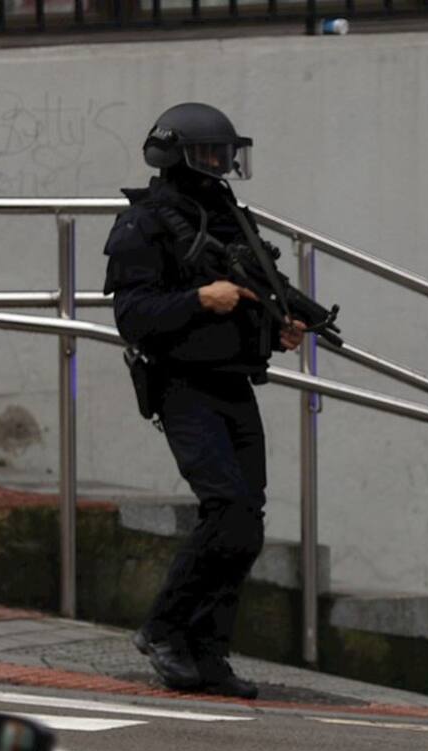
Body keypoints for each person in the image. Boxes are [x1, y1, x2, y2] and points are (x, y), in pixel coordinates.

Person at [103, 102, 306, 699]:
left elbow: (250, 297)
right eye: (209, 154)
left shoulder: (227, 216)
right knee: (226, 507)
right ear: (176, 155)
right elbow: (133, 315)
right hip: (182, 383)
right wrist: (199, 301)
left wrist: (282, 328)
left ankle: (209, 650)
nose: (220, 164)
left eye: (225, 154)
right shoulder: (145, 223)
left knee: (247, 520)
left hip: (232, 378)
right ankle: (164, 631)